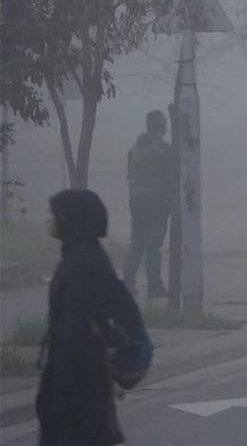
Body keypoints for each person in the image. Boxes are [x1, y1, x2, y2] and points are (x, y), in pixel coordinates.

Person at [37, 190, 126, 446]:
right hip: (86, 386)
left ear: (68, 218)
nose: (47, 219)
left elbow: (73, 334)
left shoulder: (81, 266)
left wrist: (57, 394)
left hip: (77, 390)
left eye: (52, 213)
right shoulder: (86, 257)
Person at [124, 110, 172, 298]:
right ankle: (154, 286)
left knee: (137, 242)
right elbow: (172, 177)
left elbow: (129, 176)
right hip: (157, 201)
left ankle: (128, 282)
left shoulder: (134, 149)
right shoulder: (164, 150)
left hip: (136, 200)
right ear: (163, 127)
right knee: (153, 245)